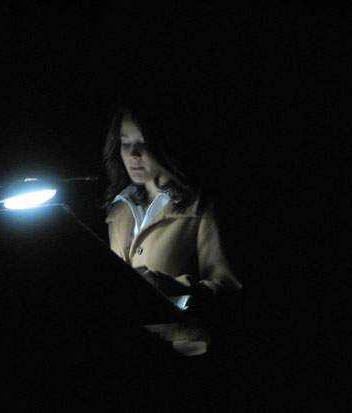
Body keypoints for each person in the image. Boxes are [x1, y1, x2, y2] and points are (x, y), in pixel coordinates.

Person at [101, 94, 243, 407]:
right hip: (127, 370)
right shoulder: (119, 210)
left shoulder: (201, 207)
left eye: (143, 142)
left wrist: (168, 288)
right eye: (125, 143)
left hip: (184, 373)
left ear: (166, 143)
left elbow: (230, 291)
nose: (133, 154)